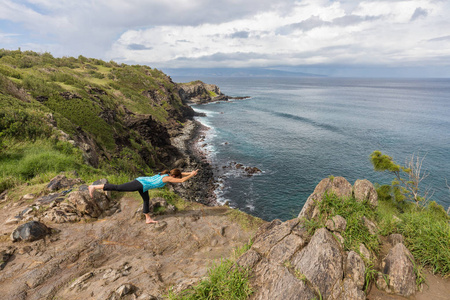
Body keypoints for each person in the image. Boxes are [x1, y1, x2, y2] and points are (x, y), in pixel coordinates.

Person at [88, 168, 199, 224]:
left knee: (146, 199)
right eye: (176, 177)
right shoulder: (167, 178)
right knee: (118, 187)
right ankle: (95, 187)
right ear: (173, 176)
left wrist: (190, 172)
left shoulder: (166, 173)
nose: (176, 178)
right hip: (140, 184)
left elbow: (181, 174)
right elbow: (182, 180)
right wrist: (191, 175)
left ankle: (148, 218)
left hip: (143, 185)